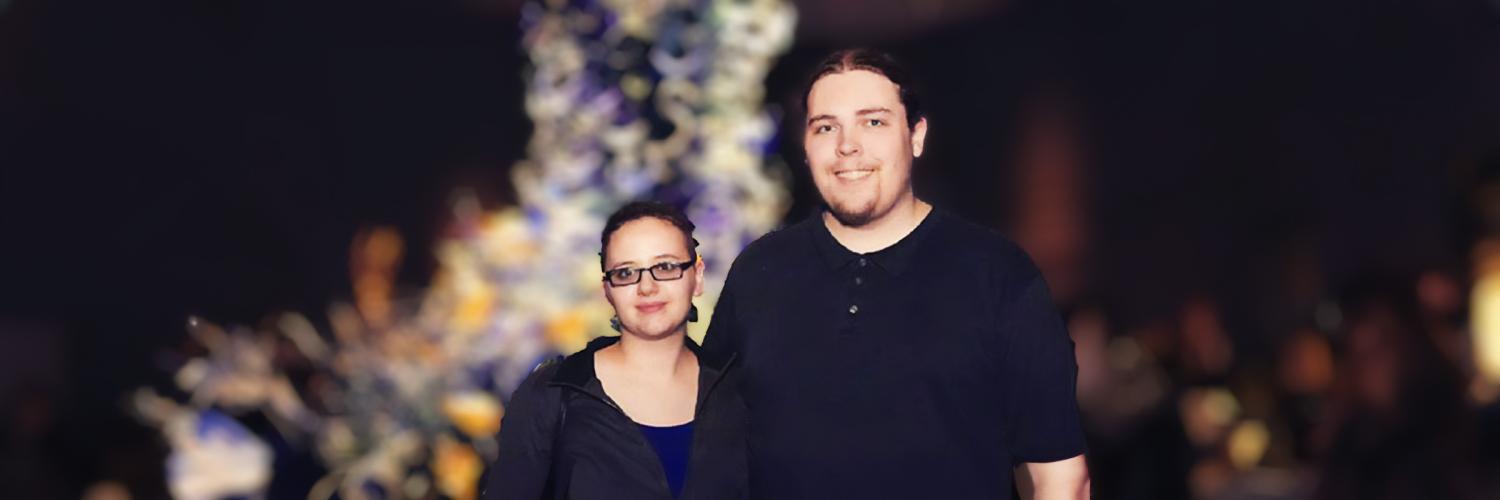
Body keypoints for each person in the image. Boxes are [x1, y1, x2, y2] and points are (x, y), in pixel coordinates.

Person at [703, 48, 1091, 499]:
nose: (847, 145)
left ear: (916, 136)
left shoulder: (996, 274)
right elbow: (710, 450)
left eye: (873, 122)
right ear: (806, 147)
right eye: (826, 127)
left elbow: (1060, 478)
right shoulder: (758, 274)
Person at [483, 201, 746, 500]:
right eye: (625, 273)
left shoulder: (737, 392)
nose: (647, 287)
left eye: (665, 266)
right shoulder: (553, 395)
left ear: (697, 277)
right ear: (607, 290)